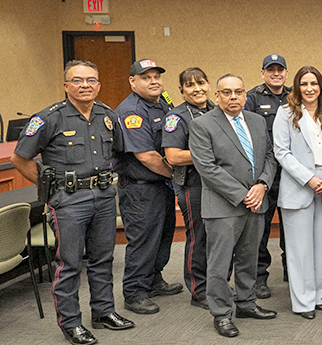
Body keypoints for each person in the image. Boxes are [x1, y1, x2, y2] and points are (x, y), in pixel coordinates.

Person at [12, 60, 134, 345]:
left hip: (104, 197)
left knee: (103, 258)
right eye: (77, 81)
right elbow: (19, 158)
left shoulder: (108, 115)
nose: (85, 85)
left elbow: (118, 151)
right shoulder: (48, 118)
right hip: (68, 200)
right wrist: (49, 187)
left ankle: (103, 312)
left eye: (91, 80)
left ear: (99, 85)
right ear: (66, 86)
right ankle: (71, 323)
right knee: (69, 263)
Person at [189, 74, 278, 338]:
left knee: (249, 258)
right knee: (219, 263)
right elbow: (206, 167)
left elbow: (270, 156)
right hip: (223, 206)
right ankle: (221, 313)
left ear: (245, 95)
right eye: (226, 92)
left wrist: (262, 184)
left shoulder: (257, 121)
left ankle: (247, 303)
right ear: (216, 96)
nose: (233, 97)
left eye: (238, 92)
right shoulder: (202, 124)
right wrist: (242, 194)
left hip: (256, 201)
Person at [273, 66, 322, 320]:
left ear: (321, 86)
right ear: (296, 87)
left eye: (314, 83)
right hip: (299, 185)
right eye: (304, 84)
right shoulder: (285, 113)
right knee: (299, 249)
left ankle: (319, 296)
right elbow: (281, 152)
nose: (309, 88)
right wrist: (309, 179)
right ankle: (303, 302)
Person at [116, 59, 182, 315]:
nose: (154, 81)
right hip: (140, 189)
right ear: (133, 81)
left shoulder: (162, 102)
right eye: (146, 77)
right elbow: (147, 156)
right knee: (143, 241)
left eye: (157, 76)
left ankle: (154, 280)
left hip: (160, 185)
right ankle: (134, 293)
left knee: (163, 236)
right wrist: (176, 173)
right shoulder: (131, 111)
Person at [162, 67, 216, 310]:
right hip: (192, 184)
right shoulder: (176, 117)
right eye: (191, 85)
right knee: (199, 237)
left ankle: (217, 285)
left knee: (219, 237)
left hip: (217, 185)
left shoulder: (216, 110)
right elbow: (173, 156)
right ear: (182, 91)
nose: (198, 89)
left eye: (201, 83)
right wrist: (211, 155)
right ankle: (199, 290)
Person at [245, 54, 292, 296]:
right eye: (270, 70)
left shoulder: (295, 95)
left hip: (290, 173)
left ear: (286, 72)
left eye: (280, 70)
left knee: (292, 226)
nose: (276, 73)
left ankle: (291, 271)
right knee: (260, 228)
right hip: (265, 172)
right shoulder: (252, 97)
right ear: (262, 73)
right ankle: (259, 277)